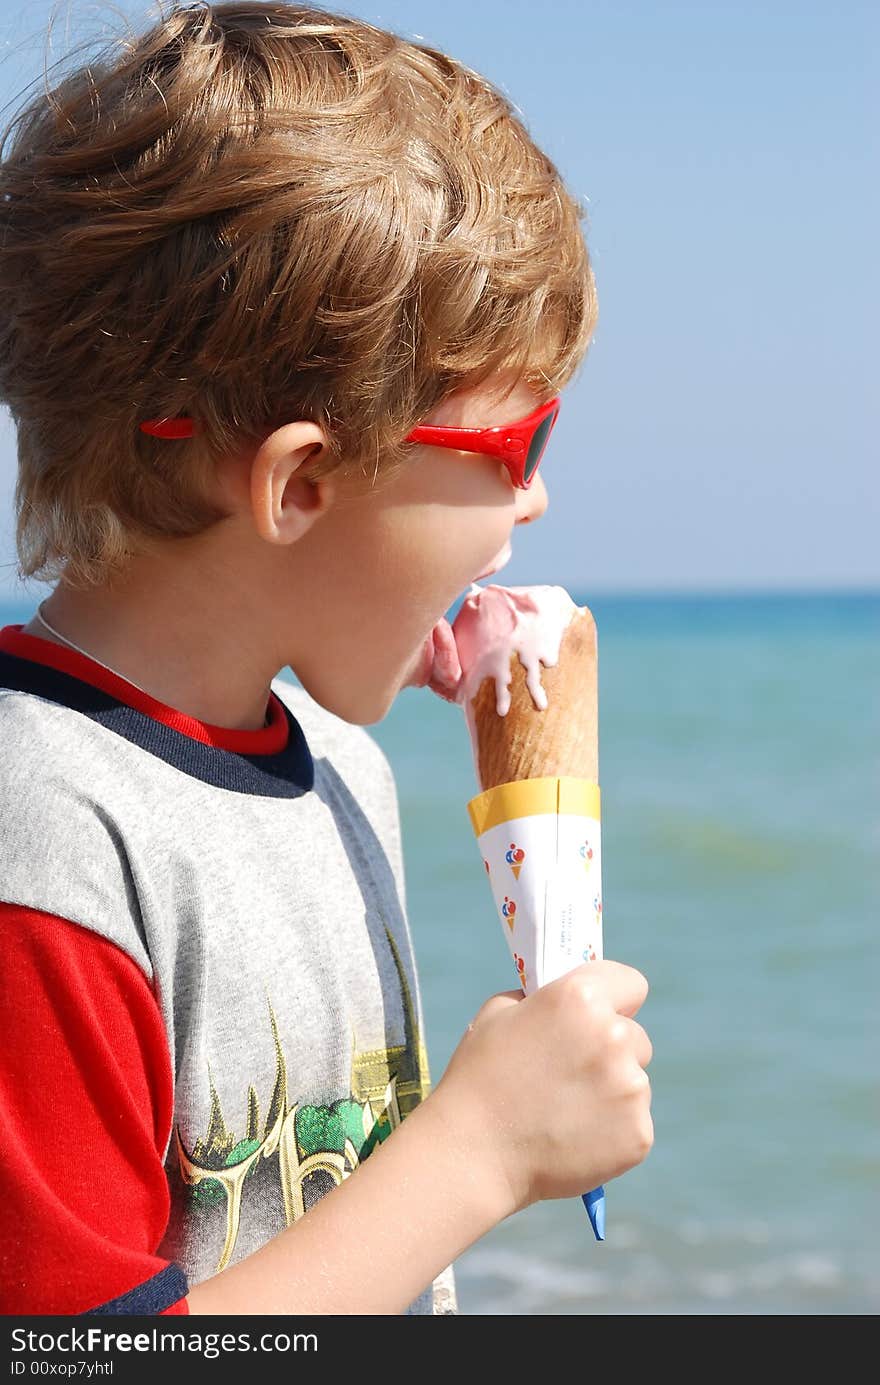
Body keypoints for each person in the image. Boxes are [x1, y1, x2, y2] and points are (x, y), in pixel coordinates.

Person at [0, 2, 653, 1316]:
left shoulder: (339, 767)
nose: (534, 506)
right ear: (303, 484)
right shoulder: (45, 843)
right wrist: (474, 1154)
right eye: (514, 449)